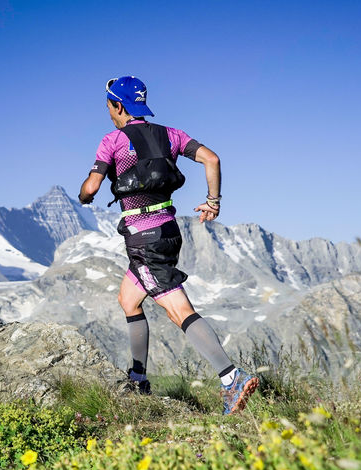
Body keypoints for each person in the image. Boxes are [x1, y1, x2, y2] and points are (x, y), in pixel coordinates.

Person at [78, 76, 257, 415]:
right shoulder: (172, 135)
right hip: (168, 228)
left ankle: (230, 377)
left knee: (179, 310)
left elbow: (91, 188)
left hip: (144, 238)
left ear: (118, 106)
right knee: (128, 299)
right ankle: (138, 379)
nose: (109, 114)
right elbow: (212, 159)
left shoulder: (113, 140)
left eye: (109, 108)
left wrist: (85, 195)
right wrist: (213, 202)